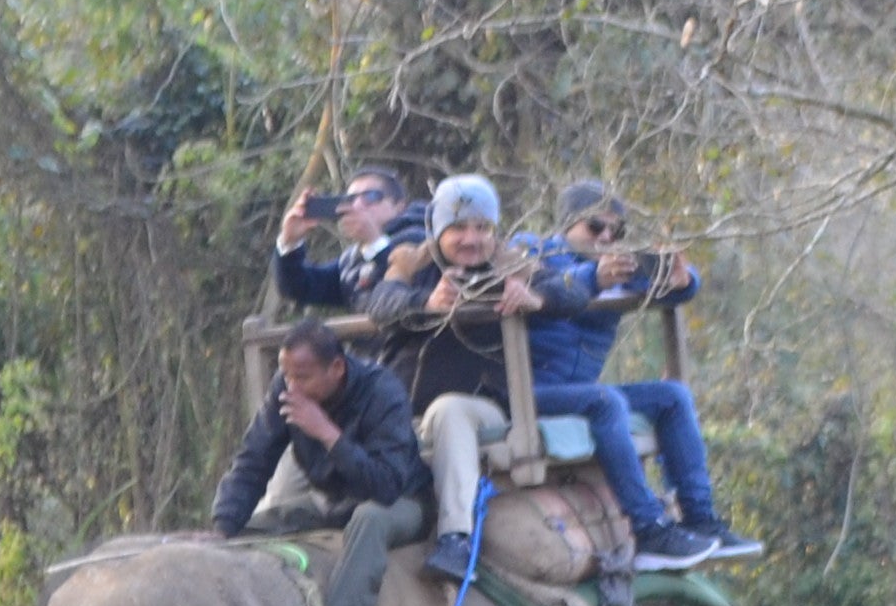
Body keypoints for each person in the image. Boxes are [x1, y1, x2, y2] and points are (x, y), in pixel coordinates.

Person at [364, 176, 704, 578]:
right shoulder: (413, 265)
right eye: (458, 228)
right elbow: (377, 303)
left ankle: (456, 539)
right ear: (438, 232)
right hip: (403, 403)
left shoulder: (512, 263)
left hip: (481, 401)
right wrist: (426, 302)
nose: (471, 239)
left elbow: (568, 291)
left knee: (451, 410)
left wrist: (536, 299)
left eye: (482, 228)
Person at [539, 179, 751, 561]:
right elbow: (551, 288)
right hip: (529, 391)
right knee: (607, 402)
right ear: (567, 224)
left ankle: (700, 518)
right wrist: (593, 278)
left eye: (616, 231)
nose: (606, 237)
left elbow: (671, 285)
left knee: (673, 396)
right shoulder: (534, 254)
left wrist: (682, 279)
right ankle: (648, 526)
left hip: (578, 392)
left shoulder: (617, 266)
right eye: (594, 227)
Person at [211, 320, 424, 538]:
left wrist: (327, 433)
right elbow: (254, 459)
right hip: (329, 502)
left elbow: (386, 486)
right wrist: (223, 526)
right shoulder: (287, 389)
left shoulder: (383, 392)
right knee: (246, 530)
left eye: (302, 378)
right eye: (286, 375)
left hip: (397, 501)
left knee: (368, 520)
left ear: (337, 368)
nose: (292, 386)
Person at [269, 167, 423, 310]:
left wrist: (374, 242)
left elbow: (418, 283)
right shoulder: (351, 260)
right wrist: (290, 243)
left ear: (399, 206)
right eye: (351, 198)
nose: (358, 205)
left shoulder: (421, 237)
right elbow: (298, 289)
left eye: (371, 196)